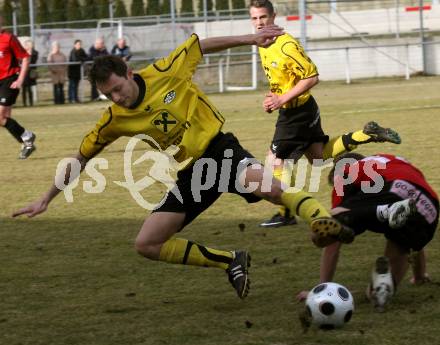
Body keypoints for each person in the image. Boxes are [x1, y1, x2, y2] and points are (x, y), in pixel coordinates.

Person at [13, 27, 354, 300]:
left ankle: (322, 221)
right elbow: (81, 158)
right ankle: (230, 261)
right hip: (194, 173)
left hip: (221, 149)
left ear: (128, 72)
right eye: (109, 95)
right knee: (147, 243)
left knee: (270, 189)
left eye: (118, 88)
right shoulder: (114, 118)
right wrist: (47, 197)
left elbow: (201, 45)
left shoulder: (165, 70)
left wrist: (251, 38)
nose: (117, 97)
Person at [248, 0, 401, 228]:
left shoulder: (285, 45)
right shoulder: (263, 43)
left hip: (297, 113)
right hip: (299, 110)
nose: (259, 23)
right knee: (318, 158)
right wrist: (273, 96)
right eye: (255, 18)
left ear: (274, 16)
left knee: (275, 161)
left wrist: (282, 99)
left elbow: (312, 77)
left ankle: (285, 213)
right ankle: (365, 134)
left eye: (263, 17)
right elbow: (283, 78)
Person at [297, 152, 439, 310]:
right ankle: (380, 291)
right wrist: (419, 276)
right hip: (429, 208)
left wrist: (321, 290)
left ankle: (384, 211)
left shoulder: (345, 171)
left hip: (388, 189)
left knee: (320, 234)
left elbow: (332, 243)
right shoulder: (393, 160)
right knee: (405, 243)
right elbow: (416, 248)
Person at [0, 15, 36, 159]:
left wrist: (20, 79)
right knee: (5, 118)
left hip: (10, 80)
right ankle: (26, 141)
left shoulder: (8, 38)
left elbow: (26, 57)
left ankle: (27, 137)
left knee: (0, 116)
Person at [22, 39, 39, 107]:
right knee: (24, 88)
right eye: (27, 44)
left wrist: (30, 52)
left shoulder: (35, 53)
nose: (28, 46)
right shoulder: (22, 52)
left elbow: (33, 60)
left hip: (31, 72)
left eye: (29, 44)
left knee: (30, 88)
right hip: (24, 72)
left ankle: (31, 103)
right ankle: (24, 103)